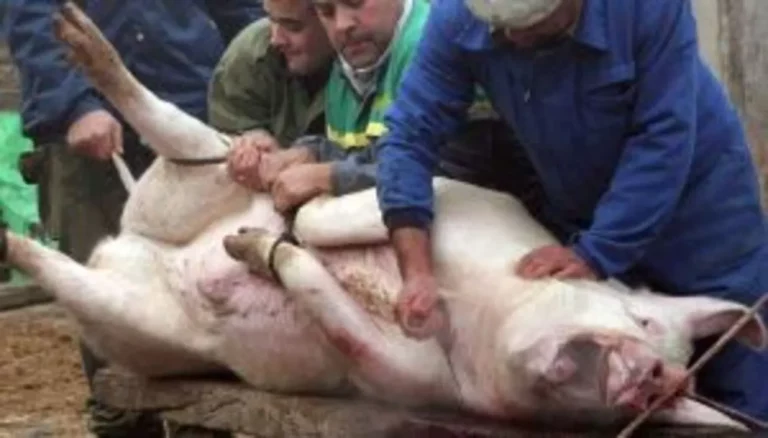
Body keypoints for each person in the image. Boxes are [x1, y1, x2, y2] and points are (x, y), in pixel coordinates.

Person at [373, 0, 768, 420]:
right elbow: (409, 135)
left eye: (532, 24)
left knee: (738, 396)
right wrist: (416, 271)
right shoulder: (460, 14)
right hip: (580, 211)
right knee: (613, 396)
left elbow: (662, 136)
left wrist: (597, 252)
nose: (513, 38)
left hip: (703, 220)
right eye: (499, 29)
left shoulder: (650, 8)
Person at [7, 1, 264, 436]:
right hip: (91, 133)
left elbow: (242, 11)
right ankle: (124, 423)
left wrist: (256, 95)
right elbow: (30, 11)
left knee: (208, 286)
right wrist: (75, 105)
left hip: (190, 114)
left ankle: (202, 426)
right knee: (105, 295)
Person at [218, 0, 544, 221]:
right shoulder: (348, 63)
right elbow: (365, 150)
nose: (342, 24)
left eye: (356, 2)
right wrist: (309, 153)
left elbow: (457, 168)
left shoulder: (433, 44)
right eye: (326, 10)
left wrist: (329, 176)